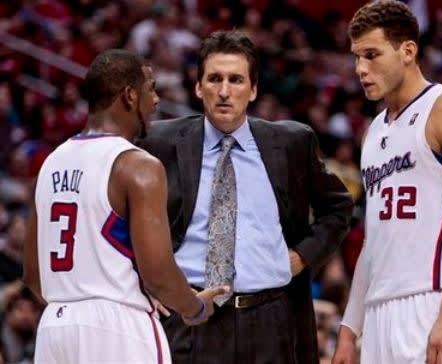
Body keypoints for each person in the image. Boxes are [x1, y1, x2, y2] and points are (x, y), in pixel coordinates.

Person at [138, 30, 353, 364]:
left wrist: (301, 256)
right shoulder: (158, 142)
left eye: (236, 80)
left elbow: (338, 207)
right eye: (214, 79)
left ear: (253, 90)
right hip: (190, 319)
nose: (224, 91)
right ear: (198, 87)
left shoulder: (292, 143)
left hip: (270, 321)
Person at [23, 49, 227, 364]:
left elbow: (33, 276)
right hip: (117, 329)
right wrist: (195, 308)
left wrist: (80, 303)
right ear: (130, 96)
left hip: (54, 327)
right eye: (151, 88)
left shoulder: (50, 164)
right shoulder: (137, 165)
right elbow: (158, 274)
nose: (157, 100)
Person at [331, 1, 442, 364]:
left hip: (436, 300)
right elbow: (374, 241)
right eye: (357, 57)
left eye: (372, 55)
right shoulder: (372, 133)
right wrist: (349, 329)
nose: (361, 68)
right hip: (380, 311)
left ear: (408, 51)